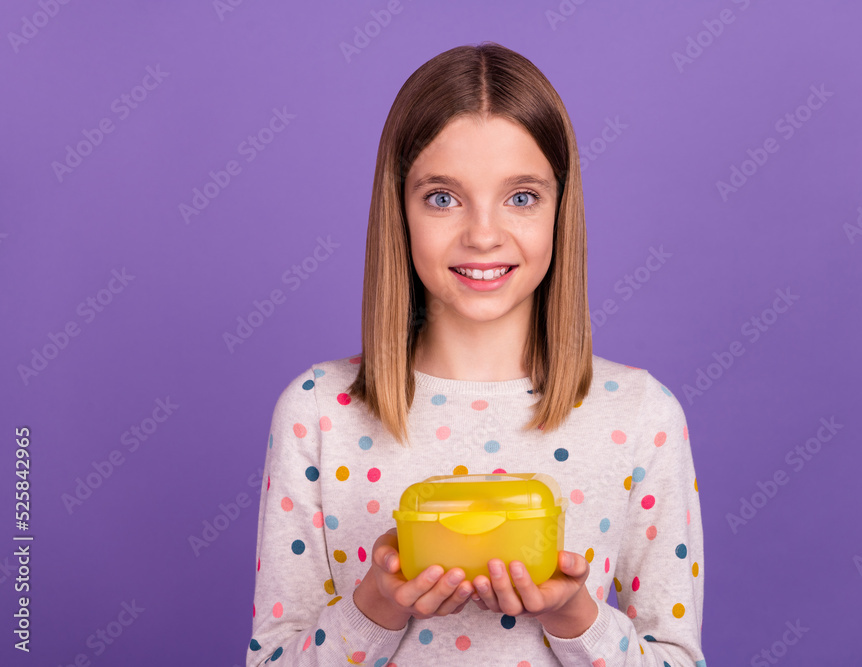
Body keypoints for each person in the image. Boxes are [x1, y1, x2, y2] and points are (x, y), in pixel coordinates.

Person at [247, 41, 706, 666]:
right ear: (400, 210)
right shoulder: (319, 411)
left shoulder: (641, 415)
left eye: (521, 197)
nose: (484, 234)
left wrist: (573, 618)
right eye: (443, 196)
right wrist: (377, 605)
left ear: (559, 210)